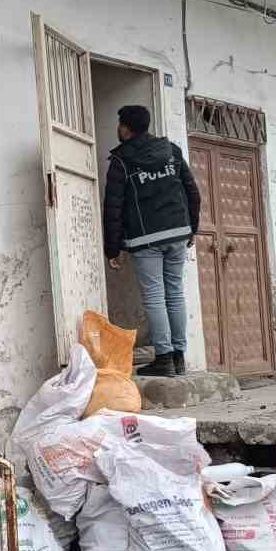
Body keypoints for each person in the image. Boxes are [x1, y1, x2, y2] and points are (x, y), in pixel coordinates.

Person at [102, 105, 202, 377]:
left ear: (125, 127)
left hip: (146, 238)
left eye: (120, 124)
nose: (118, 128)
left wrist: (112, 248)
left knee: (155, 297)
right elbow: (191, 190)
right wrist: (192, 227)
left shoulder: (121, 161)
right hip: (177, 233)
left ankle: (164, 357)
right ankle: (179, 357)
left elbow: (113, 207)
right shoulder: (172, 151)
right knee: (175, 293)